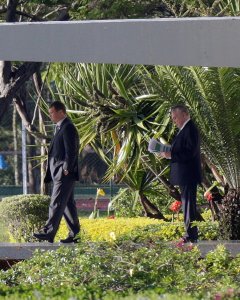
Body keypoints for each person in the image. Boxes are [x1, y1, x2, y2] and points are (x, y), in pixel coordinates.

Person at [33, 101, 80, 243]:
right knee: (67, 204)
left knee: (57, 203)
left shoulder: (68, 127)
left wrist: (66, 168)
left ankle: (48, 232)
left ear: (61, 112)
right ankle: (75, 235)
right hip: (60, 173)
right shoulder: (60, 127)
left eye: (52, 112)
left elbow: (72, 150)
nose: (50, 115)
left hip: (64, 173)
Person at [160, 104, 202, 243]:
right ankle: (190, 233)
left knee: (189, 204)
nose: (174, 121)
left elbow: (190, 152)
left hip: (188, 174)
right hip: (185, 174)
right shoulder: (184, 129)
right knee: (186, 204)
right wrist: (168, 152)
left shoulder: (190, 129)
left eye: (176, 117)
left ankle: (191, 235)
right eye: (172, 118)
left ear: (184, 114)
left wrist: (170, 154)